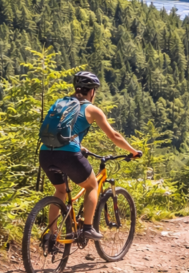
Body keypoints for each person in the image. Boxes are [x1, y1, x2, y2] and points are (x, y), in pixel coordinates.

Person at [38, 71, 141, 240]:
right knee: (92, 186)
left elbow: (62, 131)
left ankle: (52, 235)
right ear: (92, 91)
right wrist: (133, 151)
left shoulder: (61, 103)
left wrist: (79, 145)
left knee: (60, 190)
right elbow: (114, 136)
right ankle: (87, 227)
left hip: (45, 153)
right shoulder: (92, 109)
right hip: (68, 155)